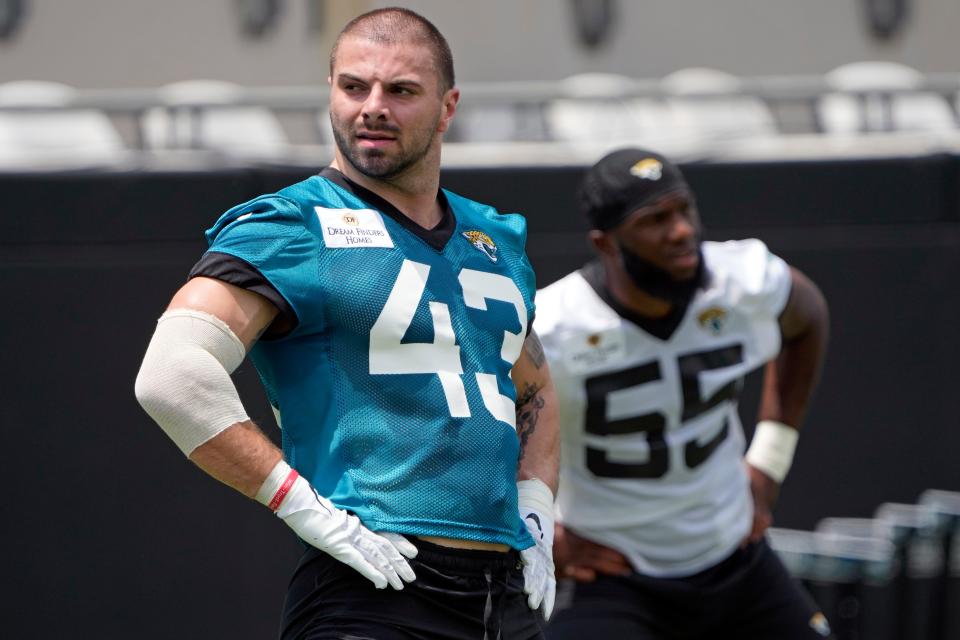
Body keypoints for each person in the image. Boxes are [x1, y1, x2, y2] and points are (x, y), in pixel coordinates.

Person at [134, 8, 558, 639]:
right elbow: (171, 375)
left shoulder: (491, 234)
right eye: (354, 86)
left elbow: (538, 390)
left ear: (448, 107)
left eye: (402, 90)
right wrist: (301, 506)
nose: (373, 107)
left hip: (505, 594)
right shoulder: (292, 223)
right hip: (373, 581)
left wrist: (537, 508)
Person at [534, 148, 832, 639]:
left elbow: (809, 317)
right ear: (605, 243)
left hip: (734, 556)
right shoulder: (554, 326)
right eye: (654, 220)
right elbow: (477, 428)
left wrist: (769, 464)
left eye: (684, 210)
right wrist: (537, 536)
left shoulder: (741, 280)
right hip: (615, 575)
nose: (681, 232)